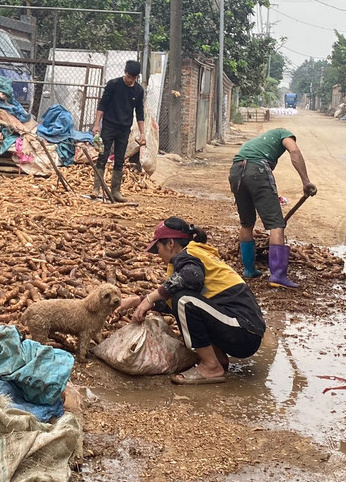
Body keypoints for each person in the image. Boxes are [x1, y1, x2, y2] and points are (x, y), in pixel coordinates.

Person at [116, 217, 266, 385]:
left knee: (184, 302)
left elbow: (190, 278)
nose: (158, 256)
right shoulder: (193, 255)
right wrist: (137, 301)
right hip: (242, 331)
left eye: (158, 249)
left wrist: (151, 298)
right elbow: (171, 299)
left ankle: (211, 367)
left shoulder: (188, 255)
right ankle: (218, 361)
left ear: (170, 243)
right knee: (181, 300)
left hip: (242, 330)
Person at [229, 126, 318, 287]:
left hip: (236, 170)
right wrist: (305, 181)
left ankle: (249, 270)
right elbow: (295, 152)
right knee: (276, 224)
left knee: (246, 223)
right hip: (257, 169)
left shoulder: (257, 143)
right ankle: (277, 275)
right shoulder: (284, 134)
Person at [92, 60, 147, 203]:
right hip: (109, 126)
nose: (130, 80)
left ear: (137, 77)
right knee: (103, 156)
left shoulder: (139, 91)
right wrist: (97, 124)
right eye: (129, 76)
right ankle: (96, 188)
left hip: (124, 129)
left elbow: (140, 113)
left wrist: (142, 133)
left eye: (133, 78)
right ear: (125, 73)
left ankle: (115, 191)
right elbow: (102, 104)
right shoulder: (113, 84)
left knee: (120, 159)